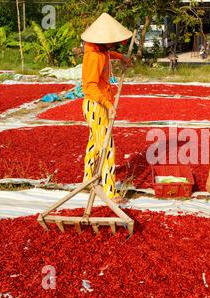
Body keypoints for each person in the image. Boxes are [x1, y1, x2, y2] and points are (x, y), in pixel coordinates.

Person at [81, 13, 133, 204]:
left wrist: (122, 58)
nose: (114, 43)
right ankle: (110, 191)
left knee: (95, 143)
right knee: (107, 146)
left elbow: (110, 55)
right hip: (96, 105)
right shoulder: (94, 56)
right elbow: (90, 86)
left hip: (99, 103)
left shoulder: (102, 51)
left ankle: (87, 180)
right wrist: (109, 104)